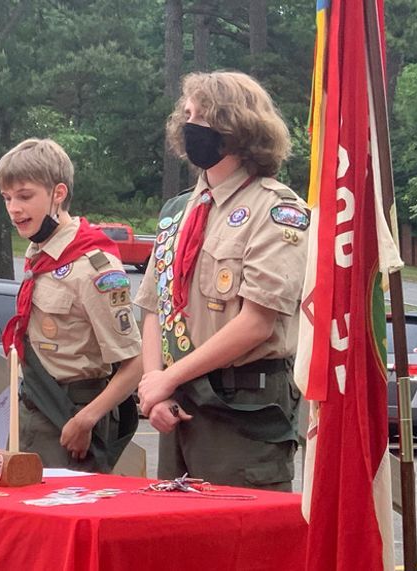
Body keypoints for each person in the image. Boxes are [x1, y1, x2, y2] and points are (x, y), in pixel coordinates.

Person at [135, 71, 309, 491]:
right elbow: (157, 307)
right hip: (179, 408)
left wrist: (169, 379)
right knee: (175, 548)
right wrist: (155, 384)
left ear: (238, 129)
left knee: (240, 550)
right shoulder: (178, 211)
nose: (190, 125)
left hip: (244, 413)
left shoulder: (277, 209)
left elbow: (257, 323)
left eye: (204, 117)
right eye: (188, 114)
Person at [0, 138, 142, 473]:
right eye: (7, 198)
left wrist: (86, 419)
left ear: (58, 194)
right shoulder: (40, 254)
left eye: (25, 196)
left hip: (72, 415)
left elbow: (135, 363)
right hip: (34, 406)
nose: (14, 208)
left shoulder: (94, 267)